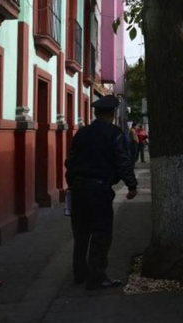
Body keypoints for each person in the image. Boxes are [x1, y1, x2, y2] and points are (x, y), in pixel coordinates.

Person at [65, 95, 138, 291]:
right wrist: (131, 185)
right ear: (112, 114)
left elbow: (69, 162)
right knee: (101, 233)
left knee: (81, 234)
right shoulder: (114, 133)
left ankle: (79, 274)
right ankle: (96, 277)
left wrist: (73, 183)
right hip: (99, 190)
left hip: (79, 188)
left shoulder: (82, 133)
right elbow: (123, 161)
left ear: (96, 114)